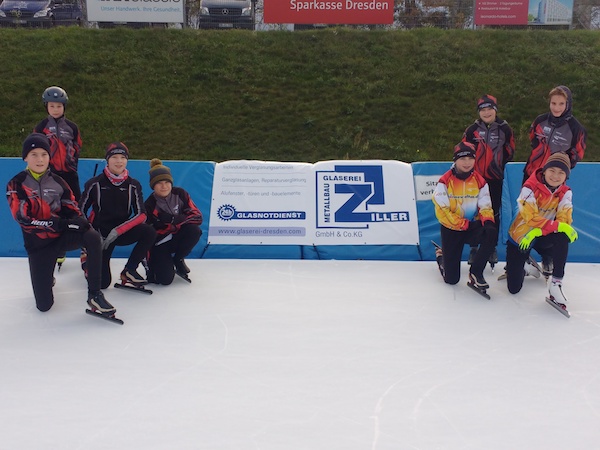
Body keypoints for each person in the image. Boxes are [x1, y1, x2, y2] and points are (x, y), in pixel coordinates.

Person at [6, 133, 116, 315]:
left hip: (60, 238)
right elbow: (23, 218)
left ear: (49, 157)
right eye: (34, 155)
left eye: (44, 154)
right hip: (39, 245)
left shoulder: (58, 182)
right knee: (44, 306)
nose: (40, 159)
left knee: (91, 236)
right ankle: (47, 276)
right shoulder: (16, 183)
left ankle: (94, 295)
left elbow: (72, 208)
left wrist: (79, 221)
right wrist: (58, 223)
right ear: (25, 157)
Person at [79, 142, 156, 289]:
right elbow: (80, 211)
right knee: (102, 284)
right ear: (107, 160)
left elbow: (141, 214)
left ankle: (129, 270)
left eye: (123, 157)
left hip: (120, 232)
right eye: (114, 157)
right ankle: (86, 257)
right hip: (101, 236)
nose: (119, 161)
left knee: (149, 232)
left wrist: (118, 231)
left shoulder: (133, 185)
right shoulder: (94, 183)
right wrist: (91, 233)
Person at [505, 153, 577, 304]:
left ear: (566, 176)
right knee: (513, 289)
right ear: (544, 170)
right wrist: (558, 226)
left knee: (562, 236)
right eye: (552, 170)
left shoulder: (566, 192)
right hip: (522, 236)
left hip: (541, 235)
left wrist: (541, 231)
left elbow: (564, 219)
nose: (555, 176)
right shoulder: (529, 187)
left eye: (561, 172)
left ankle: (556, 284)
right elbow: (530, 218)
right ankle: (525, 265)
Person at [432, 142, 497, 290]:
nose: (467, 163)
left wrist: (487, 221)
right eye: (462, 159)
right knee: (452, 280)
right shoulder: (444, 181)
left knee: (491, 232)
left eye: (470, 158)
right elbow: (442, 211)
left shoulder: (480, 181)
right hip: (451, 229)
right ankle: (441, 257)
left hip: (471, 227)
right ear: (455, 160)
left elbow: (485, 206)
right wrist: (464, 224)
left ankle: (476, 272)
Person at [462, 94, 515, 266]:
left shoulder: (504, 129)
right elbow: (464, 151)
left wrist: (497, 166)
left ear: (495, 110)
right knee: (473, 211)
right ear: (479, 112)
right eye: (482, 110)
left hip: (495, 179)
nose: (486, 113)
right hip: (474, 179)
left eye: (489, 109)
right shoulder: (472, 130)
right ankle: (474, 247)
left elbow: (510, 151)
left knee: (493, 213)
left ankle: (490, 246)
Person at [144, 159, 203, 285]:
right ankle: (161, 264)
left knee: (194, 231)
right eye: (159, 183)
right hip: (160, 245)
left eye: (167, 182)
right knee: (164, 281)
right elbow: (146, 239)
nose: (164, 186)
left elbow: (197, 217)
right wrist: (149, 268)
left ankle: (178, 258)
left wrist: (173, 220)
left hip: (178, 237)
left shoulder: (180, 194)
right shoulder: (149, 205)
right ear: (153, 186)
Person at [523, 85, 586, 185]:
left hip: (554, 179)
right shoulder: (540, 121)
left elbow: (577, 155)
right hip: (531, 174)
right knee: (526, 196)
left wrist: (559, 170)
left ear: (568, 104)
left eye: (561, 104)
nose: (556, 108)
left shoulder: (576, 128)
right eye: (553, 103)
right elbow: (532, 139)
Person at [34, 86, 83, 200]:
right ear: (46, 106)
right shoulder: (41, 127)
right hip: (49, 173)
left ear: (64, 106)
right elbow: (36, 149)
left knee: (75, 201)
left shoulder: (72, 127)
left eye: (59, 106)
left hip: (69, 173)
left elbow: (77, 146)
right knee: (51, 203)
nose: (55, 109)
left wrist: (72, 164)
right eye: (52, 106)